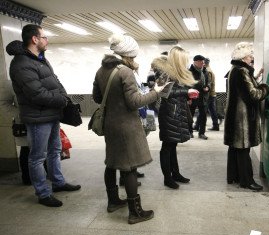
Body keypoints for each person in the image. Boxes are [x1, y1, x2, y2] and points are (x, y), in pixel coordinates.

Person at [92, 33, 167, 224]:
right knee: (129, 167)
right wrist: (155, 92)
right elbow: (134, 102)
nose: (134, 59)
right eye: (133, 56)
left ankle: (113, 201)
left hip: (111, 124)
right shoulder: (124, 71)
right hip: (126, 126)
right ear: (127, 55)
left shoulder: (101, 70)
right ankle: (135, 212)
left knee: (111, 162)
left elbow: (97, 98)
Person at [6, 24, 81, 207]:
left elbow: (56, 81)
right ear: (35, 39)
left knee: (55, 150)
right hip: (38, 118)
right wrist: (61, 101)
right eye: (44, 37)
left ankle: (58, 182)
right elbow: (36, 94)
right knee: (37, 157)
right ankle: (42, 192)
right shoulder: (21, 64)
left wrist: (64, 96)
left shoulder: (41, 59)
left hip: (52, 115)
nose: (47, 40)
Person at [151, 46, 199, 189]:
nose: (186, 62)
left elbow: (172, 91)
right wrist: (186, 91)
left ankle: (175, 173)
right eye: (184, 59)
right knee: (167, 146)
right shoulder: (164, 71)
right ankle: (167, 178)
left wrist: (186, 95)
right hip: (168, 114)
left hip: (176, 112)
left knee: (173, 145)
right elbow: (162, 91)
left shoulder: (175, 72)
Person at [224, 42, 269, 191]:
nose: (252, 58)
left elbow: (244, 88)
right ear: (243, 58)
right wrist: (265, 88)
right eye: (250, 55)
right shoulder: (242, 71)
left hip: (234, 115)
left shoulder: (234, 70)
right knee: (243, 150)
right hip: (242, 119)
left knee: (236, 149)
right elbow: (253, 95)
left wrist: (256, 78)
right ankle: (246, 181)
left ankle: (234, 176)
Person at [189, 55, 210, 140]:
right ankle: (189, 131)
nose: (203, 64)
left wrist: (208, 87)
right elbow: (187, 84)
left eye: (203, 62)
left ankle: (202, 133)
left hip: (202, 97)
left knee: (203, 115)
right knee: (190, 115)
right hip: (193, 96)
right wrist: (188, 98)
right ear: (195, 62)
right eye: (201, 62)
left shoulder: (205, 71)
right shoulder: (189, 72)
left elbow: (209, 82)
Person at [204, 58, 220, 131]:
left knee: (203, 109)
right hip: (212, 93)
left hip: (209, 94)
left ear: (205, 63)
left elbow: (209, 84)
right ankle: (216, 125)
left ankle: (197, 125)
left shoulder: (207, 71)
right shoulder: (209, 70)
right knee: (212, 110)